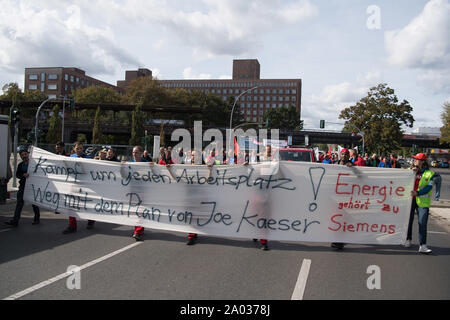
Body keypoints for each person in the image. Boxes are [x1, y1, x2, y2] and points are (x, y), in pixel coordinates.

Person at [62, 141, 95, 234]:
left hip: (85, 186)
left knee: (87, 204)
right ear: (74, 149)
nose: (79, 150)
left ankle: (91, 220)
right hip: (74, 185)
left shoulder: (87, 158)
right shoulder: (70, 158)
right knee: (71, 205)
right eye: (77, 148)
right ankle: (72, 225)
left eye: (81, 148)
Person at [405, 153, 435, 254]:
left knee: (422, 223)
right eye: (414, 159)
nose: (414, 161)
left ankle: (422, 245)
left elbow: (428, 187)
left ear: (422, 161)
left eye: (416, 159)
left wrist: (417, 193)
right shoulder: (410, 170)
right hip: (410, 199)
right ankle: (408, 239)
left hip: (422, 202)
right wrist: (411, 173)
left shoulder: (430, 173)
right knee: (408, 221)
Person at [5, 146, 40, 227]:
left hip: (32, 186)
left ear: (28, 154)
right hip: (23, 186)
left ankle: (37, 219)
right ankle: (15, 221)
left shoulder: (33, 164)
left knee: (34, 203)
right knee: (19, 203)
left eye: (25, 154)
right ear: (20, 156)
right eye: (22, 155)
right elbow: (17, 174)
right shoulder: (20, 165)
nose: (24, 156)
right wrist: (23, 174)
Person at [331, 148, 353, 250]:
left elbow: (359, 177)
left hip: (346, 197)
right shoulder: (334, 163)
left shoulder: (352, 166)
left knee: (343, 219)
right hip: (334, 196)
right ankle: (335, 239)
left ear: (349, 156)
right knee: (334, 218)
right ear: (340, 155)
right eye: (342, 154)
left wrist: (353, 168)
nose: (344, 156)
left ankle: (339, 241)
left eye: (346, 154)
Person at [130, 145, 149, 241]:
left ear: (141, 153)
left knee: (140, 211)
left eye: (136, 152)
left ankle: (138, 231)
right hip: (132, 191)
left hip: (143, 191)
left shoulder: (146, 163)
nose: (134, 154)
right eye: (133, 152)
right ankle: (137, 228)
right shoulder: (130, 163)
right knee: (135, 212)